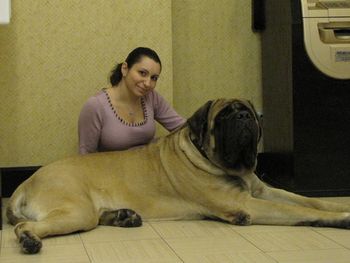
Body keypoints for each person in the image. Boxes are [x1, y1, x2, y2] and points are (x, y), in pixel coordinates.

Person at [78, 47, 186, 154]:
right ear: (125, 69)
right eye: (142, 73)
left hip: (147, 168)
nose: (148, 83)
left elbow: (183, 128)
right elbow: (86, 157)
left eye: (154, 78)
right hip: (110, 170)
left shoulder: (152, 97)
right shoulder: (95, 105)